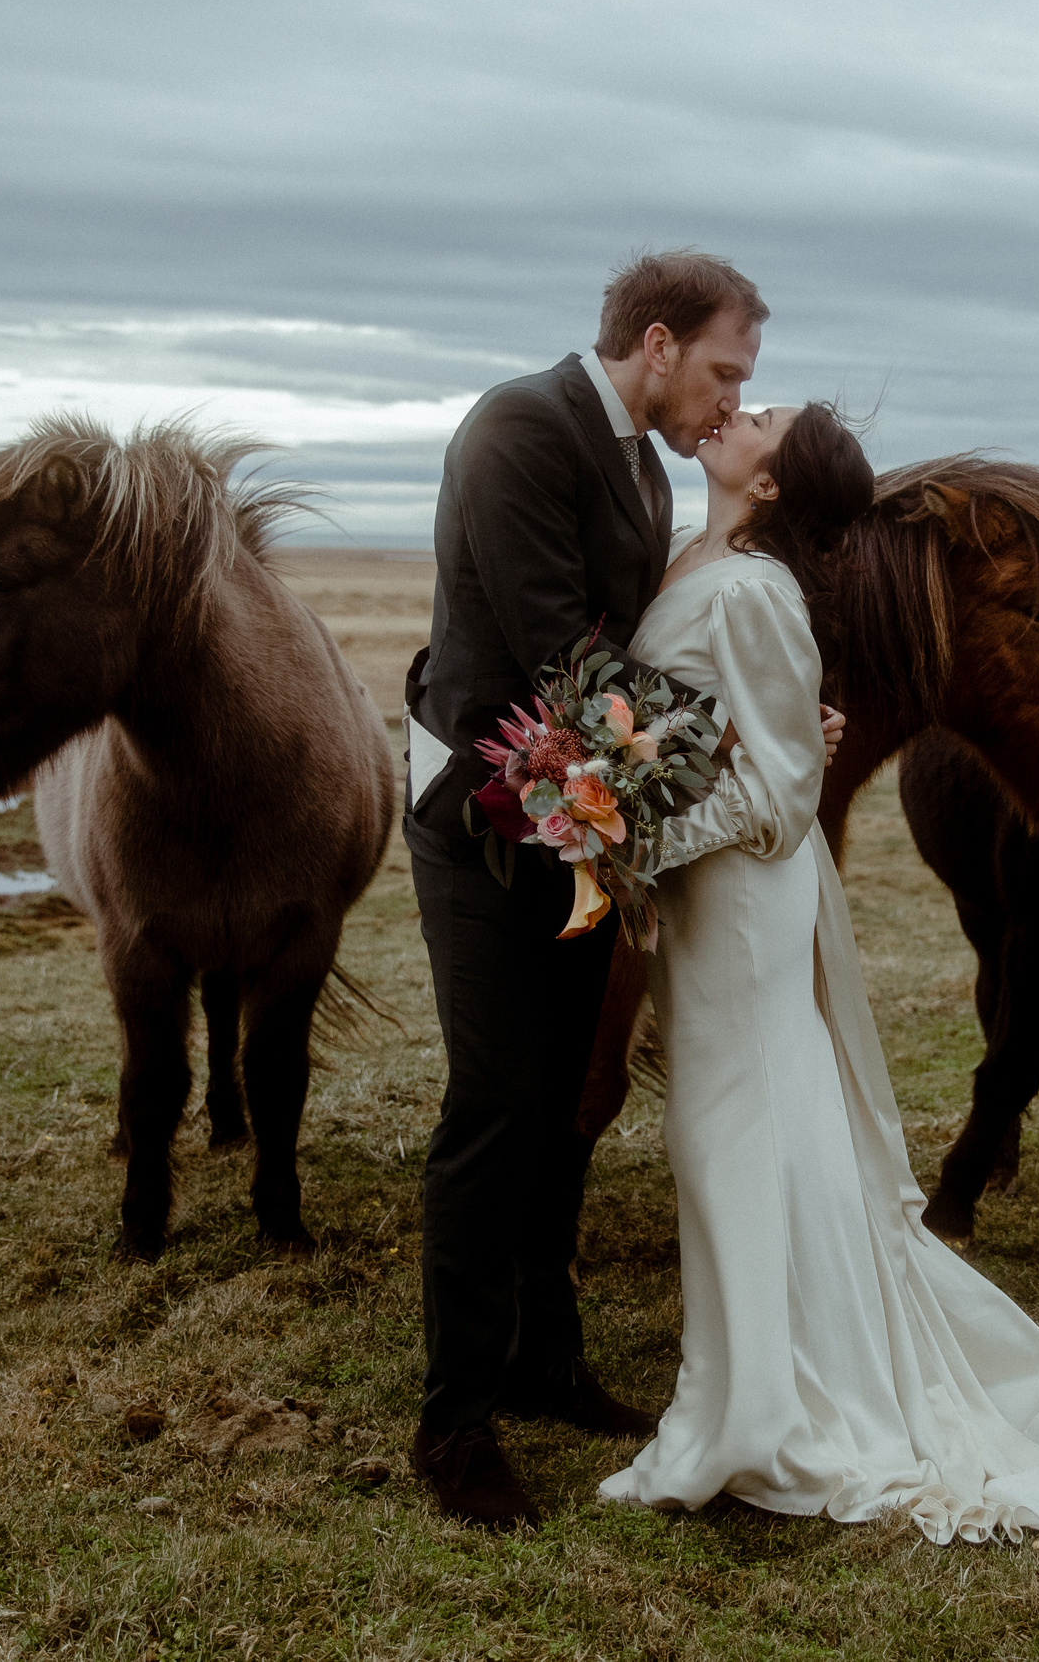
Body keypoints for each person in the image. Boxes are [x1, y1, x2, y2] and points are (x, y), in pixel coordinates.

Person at [597, 402, 1039, 1545]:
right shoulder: (710, 561)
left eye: (758, 418)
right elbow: (748, 733)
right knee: (738, 1140)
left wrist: (619, 826)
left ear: (771, 486)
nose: (737, 412)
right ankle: (756, 1383)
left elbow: (771, 803)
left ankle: (765, 1411)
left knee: (736, 1134)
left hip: (737, 901)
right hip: (720, 899)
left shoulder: (757, 588)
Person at [402, 250, 842, 1529]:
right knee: (492, 1106)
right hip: (479, 824)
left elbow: (644, 642)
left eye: (740, 384)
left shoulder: (643, 465)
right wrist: (746, 740)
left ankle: (547, 1358)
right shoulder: (518, 429)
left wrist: (763, 711)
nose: (727, 399)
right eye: (722, 371)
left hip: (576, 828)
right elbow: (565, 651)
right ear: (656, 343)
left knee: (559, 1104)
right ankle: (455, 1421)